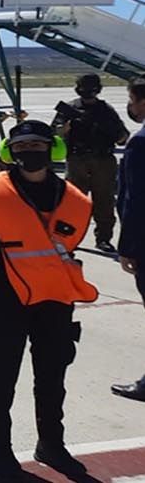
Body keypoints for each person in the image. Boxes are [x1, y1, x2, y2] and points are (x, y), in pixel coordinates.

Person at [0, 120, 98, 478]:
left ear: (52, 148)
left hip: (54, 299)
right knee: (3, 375)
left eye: (36, 145)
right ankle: (0, 448)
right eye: (21, 148)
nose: (29, 153)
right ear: (10, 152)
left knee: (52, 377)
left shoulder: (73, 198)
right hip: (5, 299)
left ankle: (51, 444)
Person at [52, 73, 131, 252]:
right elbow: (54, 132)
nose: (87, 92)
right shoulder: (69, 109)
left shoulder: (106, 111)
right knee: (74, 202)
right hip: (77, 160)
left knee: (104, 201)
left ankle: (103, 238)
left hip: (102, 160)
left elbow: (122, 137)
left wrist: (110, 131)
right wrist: (64, 129)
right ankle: (68, 238)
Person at [112, 77, 145, 401]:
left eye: (132, 100)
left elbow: (135, 199)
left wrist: (128, 247)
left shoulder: (140, 143)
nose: (131, 107)